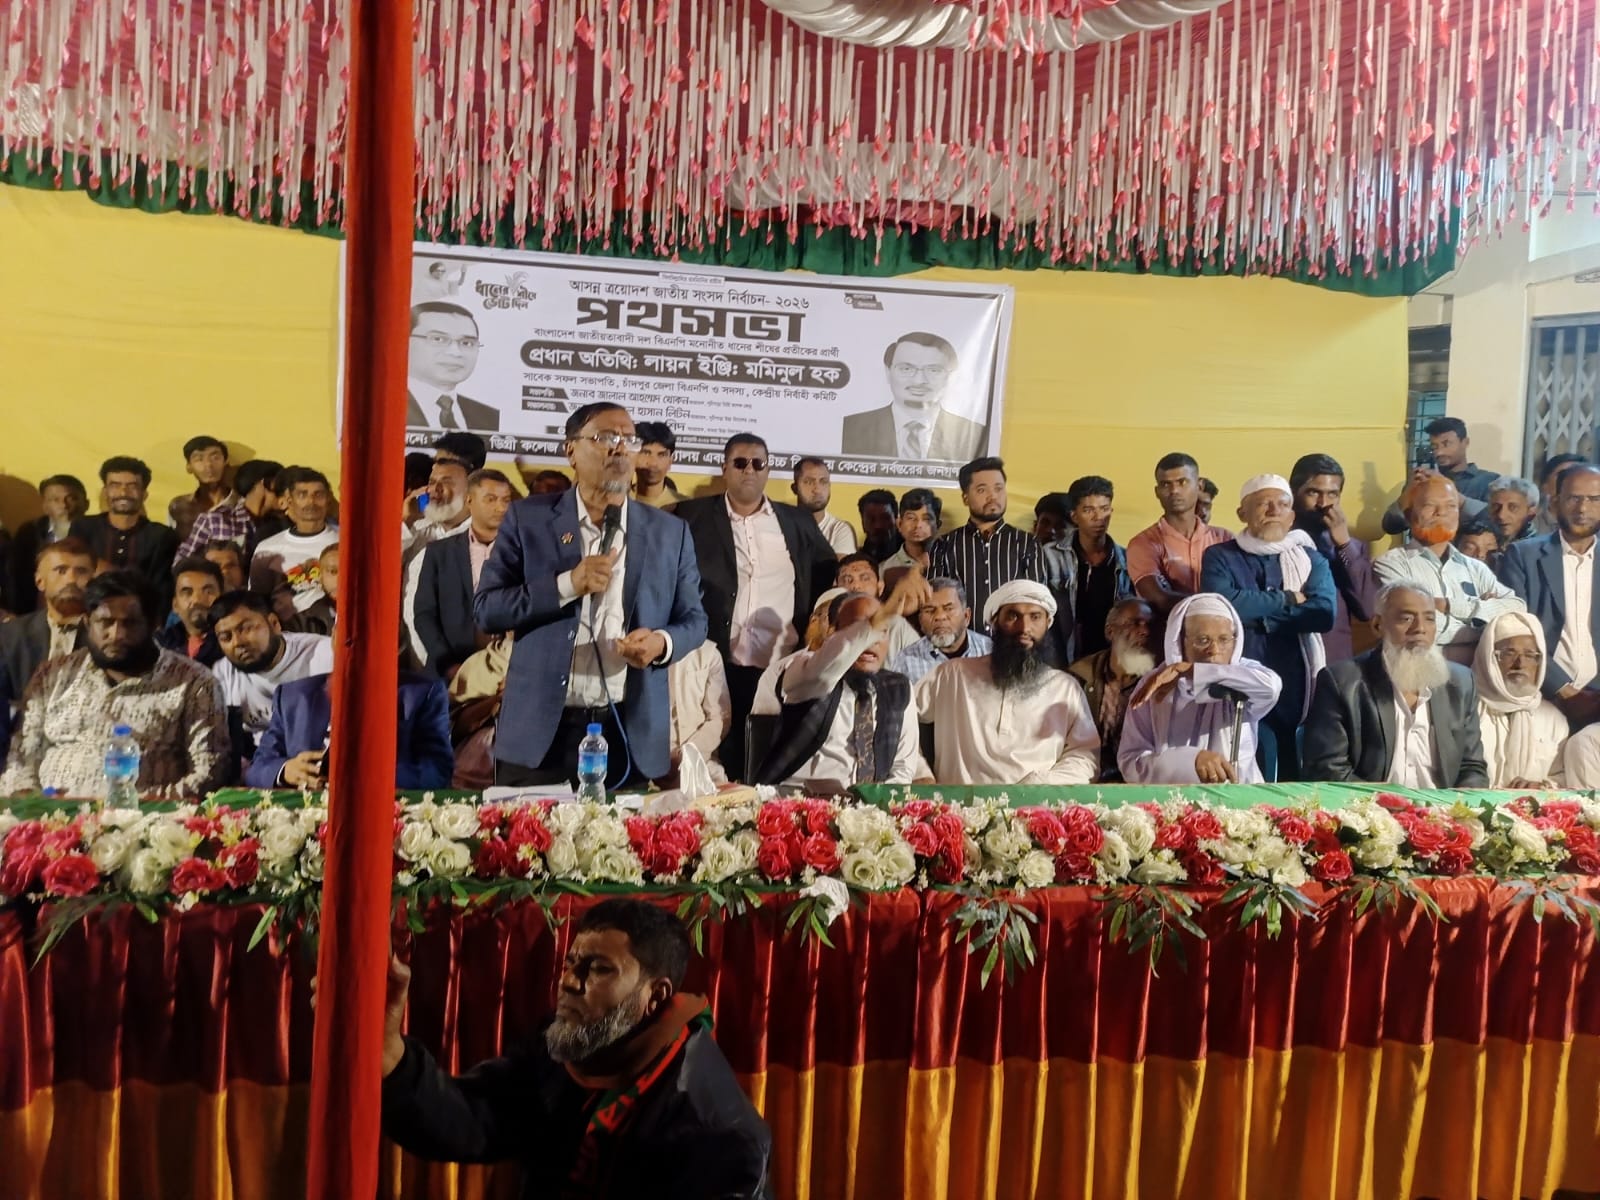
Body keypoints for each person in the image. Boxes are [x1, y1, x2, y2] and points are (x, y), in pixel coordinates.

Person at [379, 899, 772, 1199]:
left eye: (599, 969)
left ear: (654, 996)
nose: (569, 982)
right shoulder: (570, 1045)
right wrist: (392, 1056)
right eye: (571, 963)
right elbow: (470, 1119)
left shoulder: (716, 1130)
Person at [476, 403, 708, 787]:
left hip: (627, 731)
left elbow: (695, 621)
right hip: (540, 733)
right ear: (571, 450)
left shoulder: (670, 532)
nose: (620, 448)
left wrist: (661, 643)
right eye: (606, 437)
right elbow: (488, 610)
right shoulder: (528, 519)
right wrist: (567, 585)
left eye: (630, 439)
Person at [675, 433, 835, 776]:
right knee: (718, 763)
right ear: (725, 468)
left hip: (779, 664)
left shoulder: (796, 521)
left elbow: (825, 572)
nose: (749, 470)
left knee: (771, 766)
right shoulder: (692, 516)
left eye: (758, 463)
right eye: (740, 463)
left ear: (767, 470)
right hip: (718, 662)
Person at [0, 571, 230, 798]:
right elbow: (21, 758)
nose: (117, 634)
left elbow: (208, 772)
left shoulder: (193, 682)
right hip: (48, 815)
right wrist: (33, 803)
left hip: (145, 817)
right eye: (105, 622)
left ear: (154, 625)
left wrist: (132, 805)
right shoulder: (54, 675)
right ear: (87, 623)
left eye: (130, 623)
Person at [1201, 474, 1336, 779]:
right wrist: (1288, 598)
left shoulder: (1311, 559)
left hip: (1296, 681)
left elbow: (1323, 614)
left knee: (1290, 768)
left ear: (1292, 516)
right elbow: (1223, 606)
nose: (1274, 510)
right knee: (1237, 761)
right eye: (1264, 504)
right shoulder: (1220, 556)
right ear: (1242, 513)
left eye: (1282, 504)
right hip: (1237, 678)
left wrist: (1261, 620)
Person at [1301, 582, 1490, 787]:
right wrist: (1392, 804)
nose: (1420, 628)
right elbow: (1328, 770)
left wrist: (1458, 805)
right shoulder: (1342, 682)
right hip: (1371, 805)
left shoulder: (1460, 683)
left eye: (1429, 619)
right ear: (1377, 625)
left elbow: (1472, 768)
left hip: (1442, 806)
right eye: (1406, 618)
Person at [915, 580, 1100, 784]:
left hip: (1036, 801)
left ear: (1048, 623)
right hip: (959, 803)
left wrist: (1041, 783)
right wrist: (919, 772)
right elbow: (898, 718)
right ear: (995, 622)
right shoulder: (953, 675)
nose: (1024, 628)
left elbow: (1085, 757)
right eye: (1013, 616)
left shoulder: (1065, 689)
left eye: (1035, 617)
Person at [757, 581, 928, 789]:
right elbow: (828, 666)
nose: (873, 640)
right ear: (832, 633)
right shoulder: (802, 672)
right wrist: (880, 618)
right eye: (859, 628)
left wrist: (878, 806)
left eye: (883, 631)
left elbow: (901, 769)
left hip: (870, 804)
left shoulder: (898, 688)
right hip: (797, 800)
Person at [1117, 593, 1283, 784]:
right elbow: (1131, 762)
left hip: (1238, 796)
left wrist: (1190, 671)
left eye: (1224, 640)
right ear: (1180, 641)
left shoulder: (1243, 674)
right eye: (1203, 640)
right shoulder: (1154, 683)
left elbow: (1271, 688)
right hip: (1172, 796)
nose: (1214, 650)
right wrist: (1189, 762)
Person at [1373, 474, 1524, 664]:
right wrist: (1483, 628)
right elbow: (1416, 628)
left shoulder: (1475, 567)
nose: (1441, 513)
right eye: (1430, 505)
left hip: (1477, 676)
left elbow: (1517, 607)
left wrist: (1449, 605)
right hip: (1417, 673)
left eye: (1451, 506)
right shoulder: (1391, 564)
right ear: (1409, 515)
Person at [1499, 463, 1600, 727]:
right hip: (1541, 695)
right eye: (1574, 498)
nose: (1583, 509)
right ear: (1555, 503)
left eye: (1594, 499)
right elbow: (1515, 628)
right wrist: (1563, 690)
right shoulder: (1523, 556)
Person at [245, 671, 453, 790]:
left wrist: (366, 777)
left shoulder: (422, 693)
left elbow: (437, 772)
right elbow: (257, 768)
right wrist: (285, 771)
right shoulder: (293, 695)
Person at [926, 457, 1045, 636]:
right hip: (962, 644)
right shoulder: (945, 545)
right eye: (982, 490)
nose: (993, 496)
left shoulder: (1027, 543)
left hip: (1012, 643)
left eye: (998, 488)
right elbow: (936, 601)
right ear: (965, 498)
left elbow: (1036, 601)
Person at [416, 469, 516, 676]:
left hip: (508, 671)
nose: (501, 508)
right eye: (491, 499)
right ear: (469, 500)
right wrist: (449, 665)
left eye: (506, 500)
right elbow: (424, 615)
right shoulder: (440, 552)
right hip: (449, 672)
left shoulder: (522, 551)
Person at [209, 590, 335, 752]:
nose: (237, 642)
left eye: (246, 629)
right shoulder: (223, 675)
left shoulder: (325, 656)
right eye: (226, 637)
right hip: (267, 761)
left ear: (274, 624)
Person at [840, 331, 987, 461]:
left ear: (950, 377)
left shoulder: (973, 435)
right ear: (888, 372)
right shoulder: (852, 428)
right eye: (906, 369)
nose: (919, 381)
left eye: (934, 370)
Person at [1290, 453, 1377, 663]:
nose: (1323, 503)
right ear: (1293, 492)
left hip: (1334, 662)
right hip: (1285, 658)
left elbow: (1368, 609)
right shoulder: (1275, 543)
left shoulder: (1353, 548)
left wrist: (1344, 544)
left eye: (1332, 494)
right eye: (1313, 493)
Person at [1039, 475, 1135, 664]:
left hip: (1110, 662)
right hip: (1061, 660)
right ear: (1074, 516)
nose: (1098, 518)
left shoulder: (1127, 560)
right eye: (1088, 510)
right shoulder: (1050, 556)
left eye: (1104, 509)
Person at [1126, 453, 1233, 615]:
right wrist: (1211, 607)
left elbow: (1240, 590)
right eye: (1166, 484)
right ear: (1157, 492)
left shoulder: (1225, 538)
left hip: (1222, 629)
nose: (1174, 491)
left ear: (1199, 486)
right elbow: (1158, 598)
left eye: (1182, 482)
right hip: (1169, 629)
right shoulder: (1143, 543)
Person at [70, 456, 180, 614]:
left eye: (132, 486)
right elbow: (74, 576)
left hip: (138, 617)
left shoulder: (161, 536)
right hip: (86, 614)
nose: (123, 493)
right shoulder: (83, 527)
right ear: (105, 492)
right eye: (115, 485)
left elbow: (160, 590)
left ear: (144, 494)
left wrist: (107, 570)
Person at [1471, 611, 1568, 788]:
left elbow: (1563, 778)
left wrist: (1542, 787)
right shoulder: (1468, 712)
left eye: (1530, 655)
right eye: (1509, 653)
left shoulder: (1554, 720)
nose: (1520, 664)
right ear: (1489, 659)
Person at [1068, 598, 1158, 782]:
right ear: (1110, 632)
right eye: (1134, 623)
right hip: (1085, 776)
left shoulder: (1159, 683)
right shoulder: (1079, 676)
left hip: (1139, 782)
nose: (1145, 631)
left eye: (1149, 625)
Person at [0, 538, 94, 702]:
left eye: (81, 571)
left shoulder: (107, 636)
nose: (71, 579)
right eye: (61, 570)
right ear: (40, 581)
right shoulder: (10, 635)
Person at [402, 455, 473, 666]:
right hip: (410, 656)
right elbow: (379, 568)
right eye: (432, 482)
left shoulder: (480, 535)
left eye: (446, 482)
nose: (435, 489)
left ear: (470, 493)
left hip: (458, 661)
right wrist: (407, 520)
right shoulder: (417, 529)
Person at [250, 467, 340, 616]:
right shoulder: (268, 548)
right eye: (302, 495)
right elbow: (257, 603)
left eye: (318, 495)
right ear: (290, 501)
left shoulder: (346, 542)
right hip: (288, 628)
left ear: (328, 499)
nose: (311, 502)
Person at [405, 300, 499, 431]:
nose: (455, 353)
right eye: (438, 339)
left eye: (466, 343)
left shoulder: (489, 416)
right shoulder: (386, 404)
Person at [173, 458, 287, 563]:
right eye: (280, 486)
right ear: (263, 484)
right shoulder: (215, 520)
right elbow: (181, 561)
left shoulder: (280, 525)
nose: (286, 493)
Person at [5, 473, 88, 616]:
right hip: (34, 614)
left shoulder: (98, 531)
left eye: (72, 498)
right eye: (55, 500)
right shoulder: (30, 533)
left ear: (86, 504)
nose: (64, 505)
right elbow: (14, 578)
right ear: (45, 506)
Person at [890, 576, 993, 684]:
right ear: (920, 621)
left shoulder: (990, 652)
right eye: (930, 610)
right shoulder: (906, 662)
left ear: (966, 616)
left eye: (948, 609)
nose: (939, 616)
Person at [667, 640, 732, 786]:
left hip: (702, 760)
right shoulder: (648, 651)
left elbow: (720, 718)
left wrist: (687, 754)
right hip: (658, 766)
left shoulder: (710, 654)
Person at [833, 553, 921, 658]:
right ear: (836, 588)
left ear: (880, 587)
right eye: (847, 580)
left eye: (865, 578)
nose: (856, 586)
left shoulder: (897, 628)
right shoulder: (828, 626)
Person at [167, 435, 238, 544]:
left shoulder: (241, 504)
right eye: (199, 459)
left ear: (226, 462)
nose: (209, 465)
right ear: (189, 467)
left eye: (215, 458)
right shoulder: (178, 506)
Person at [156, 556, 224, 666]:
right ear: (175, 605)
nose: (197, 600)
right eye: (187, 592)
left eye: (208, 592)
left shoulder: (231, 644)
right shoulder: (160, 643)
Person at [1420, 416, 1498, 501]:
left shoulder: (1489, 481)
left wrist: (1445, 487)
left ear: (1465, 442)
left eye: (1446, 444)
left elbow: (1491, 510)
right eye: (1434, 447)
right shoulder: (1427, 480)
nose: (1439, 452)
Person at [791, 457, 857, 555]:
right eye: (809, 482)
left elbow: (840, 564)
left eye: (823, 482)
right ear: (794, 488)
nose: (817, 490)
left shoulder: (838, 529)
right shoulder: (781, 525)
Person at [879, 488, 940, 582]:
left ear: (938, 525)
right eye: (911, 518)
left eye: (926, 519)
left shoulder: (949, 560)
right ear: (899, 524)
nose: (918, 525)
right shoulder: (886, 569)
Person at [633, 421, 686, 509]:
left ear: (670, 461)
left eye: (662, 455)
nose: (653, 463)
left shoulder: (684, 507)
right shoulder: (618, 500)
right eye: (646, 453)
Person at [291, 544, 340, 636]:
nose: (341, 578)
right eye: (333, 571)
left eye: (348, 570)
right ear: (321, 577)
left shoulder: (369, 616)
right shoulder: (299, 623)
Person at [1536, 452, 1589, 534]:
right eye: (1563, 474)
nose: (1571, 480)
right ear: (1545, 486)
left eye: (1577, 475)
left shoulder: (1595, 525)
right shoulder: (1529, 526)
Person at [1487, 475, 1540, 549]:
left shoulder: (1538, 549)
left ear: (1531, 512)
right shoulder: (1481, 538)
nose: (1501, 515)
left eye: (1513, 507)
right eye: (1496, 507)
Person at [857, 489, 901, 563]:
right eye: (871, 519)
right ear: (863, 523)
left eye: (885, 518)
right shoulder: (858, 560)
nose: (878, 525)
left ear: (896, 520)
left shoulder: (911, 553)